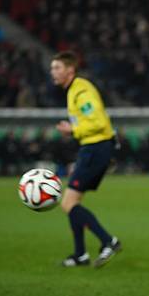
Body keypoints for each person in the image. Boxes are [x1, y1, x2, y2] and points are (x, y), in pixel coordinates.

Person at [50, 51, 121, 268]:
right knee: (73, 203)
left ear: (70, 70)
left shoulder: (81, 90)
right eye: (52, 68)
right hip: (93, 147)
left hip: (96, 147)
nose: (53, 72)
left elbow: (98, 122)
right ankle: (80, 254)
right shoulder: (74, 90)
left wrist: (74, 129)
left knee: (68, 202)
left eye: (57, 68)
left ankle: (109, 241)